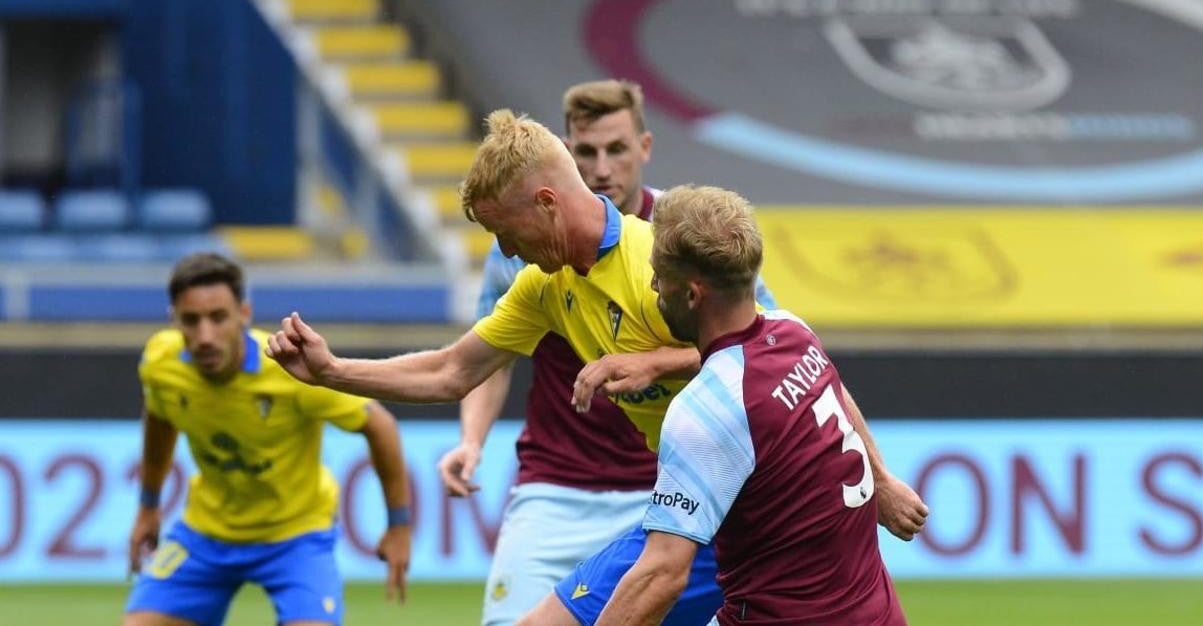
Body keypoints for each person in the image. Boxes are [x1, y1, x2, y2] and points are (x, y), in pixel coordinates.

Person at [265, 110, 924, 626]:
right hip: (679, 505)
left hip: (735, 514)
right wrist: (331, 371)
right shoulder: (544, 286)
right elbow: (451, 371)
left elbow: (770, 348)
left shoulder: (656, 265)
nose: (505, 251)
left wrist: (884, 480)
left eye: (506, 230)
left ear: (547, 203)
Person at [436, 80, 777, 625]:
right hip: (555, 484)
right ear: (565, 158)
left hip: (664, 487)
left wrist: (654, 361)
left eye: (615, 149)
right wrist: (470, 441)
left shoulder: (685, 230)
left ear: (643, 148)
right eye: (586, 151)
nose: (601, 167)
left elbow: (763, 344)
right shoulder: (520, 247)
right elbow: (480, 361)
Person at [597, 185, 909, 625]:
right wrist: (883, 482)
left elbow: (662, 573)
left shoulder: (709, 407)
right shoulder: (797, 335)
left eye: (659, 276)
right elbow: (841, 405)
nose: (652, 287)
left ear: (692, 294)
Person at [124, 252, 412, 626]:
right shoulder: (161, 363)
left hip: (296, 535)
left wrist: (399, 525)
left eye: (218, 317)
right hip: (206, 533)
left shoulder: (290, 369)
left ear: (244, 313)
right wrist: (148, 505)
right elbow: (161, 417)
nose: (205, 336)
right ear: (173, 319)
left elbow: (380, 426)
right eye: (191, 320)